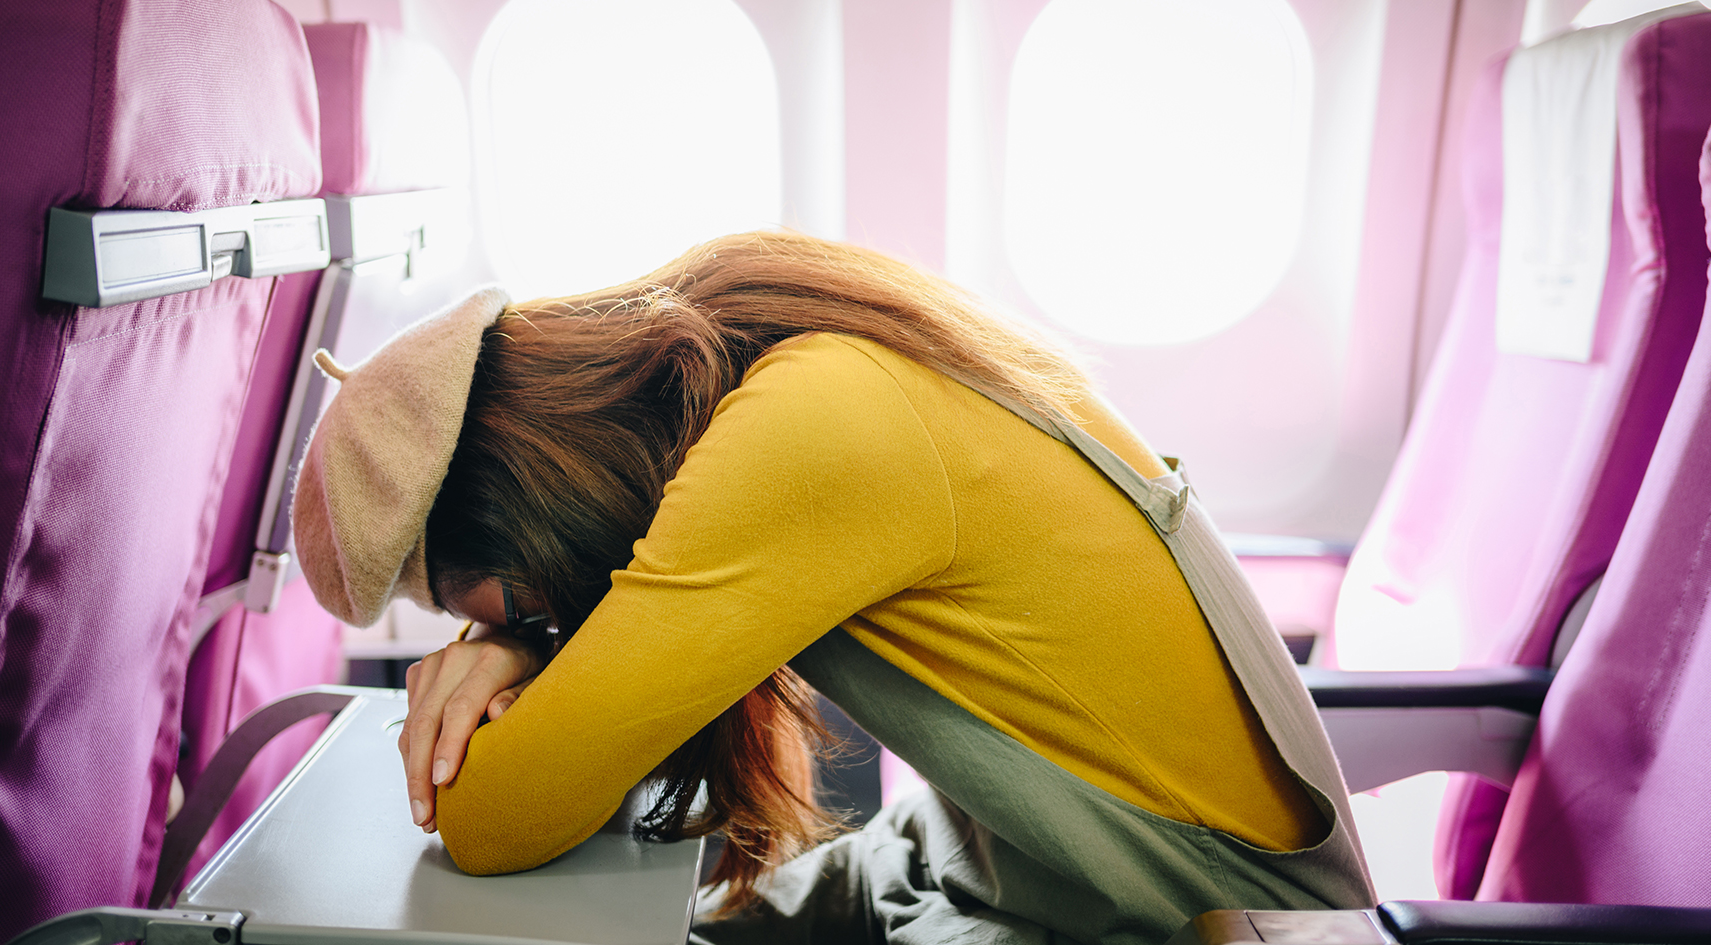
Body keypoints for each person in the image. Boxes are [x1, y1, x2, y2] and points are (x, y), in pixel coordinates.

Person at [292, 231, 1374, 944]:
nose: (507, 620)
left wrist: (519, 648)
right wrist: (528, 641)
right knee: (699, 920)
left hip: (1185, 919)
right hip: (1000, 863)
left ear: (528, 513)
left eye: (486, 596)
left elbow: (493, 822)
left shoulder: (811, 435)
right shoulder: (781, 356)